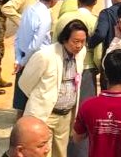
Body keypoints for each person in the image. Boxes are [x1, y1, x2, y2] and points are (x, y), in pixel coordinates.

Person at [19, 20, 88, 157]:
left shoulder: (81, 53)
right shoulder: (45, 56)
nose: (79, 45)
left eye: (83, 41)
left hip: (65, 116)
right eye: (75, 41)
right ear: (65, 39)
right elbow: (25, 83)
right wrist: (42, 99)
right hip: (45, 115)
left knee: (61, 153)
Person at [54, 0, 101, 129]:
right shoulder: (95, 21)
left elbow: (54, 42)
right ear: (95, 2)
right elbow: (98, 53)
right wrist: (98, 67)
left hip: (60, 66)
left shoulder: (63, 18)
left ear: (78, 0)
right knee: (84, 111)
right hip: (86, 69)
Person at [14, 0, 61, 114]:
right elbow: (35, 45)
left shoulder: (29, 9)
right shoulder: (45, 16)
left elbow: (18, 35)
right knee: (34, 99)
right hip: (35, 58)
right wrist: (23, 62)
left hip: (23, 56)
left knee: (21, 99)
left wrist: (18, 59)